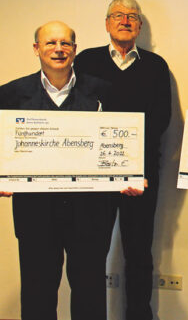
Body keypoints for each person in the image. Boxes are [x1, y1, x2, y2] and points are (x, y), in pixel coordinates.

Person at [0, 21, 114, 320]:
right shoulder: (10, 94)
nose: (58, 49)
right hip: (35, 212)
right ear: (36, 48)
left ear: (74, 49)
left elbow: (123, 141)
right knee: (37, 293)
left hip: (89, 211)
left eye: (65, 43)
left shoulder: (104, 92)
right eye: (50, 43)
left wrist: (129, 175)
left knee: (90, 293)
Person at [73, 0, 172, 320]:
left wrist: (131, 165)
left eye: (132, 16)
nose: (125, 20)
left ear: (139, 26)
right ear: (107, 23)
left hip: (141, 175)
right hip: (94, 176)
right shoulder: (85, 62)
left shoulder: (156, 66)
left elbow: (161, 120)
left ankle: (138, 315)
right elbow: (76, 115)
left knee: (139, 253)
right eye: (118, 15)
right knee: (90, 252)